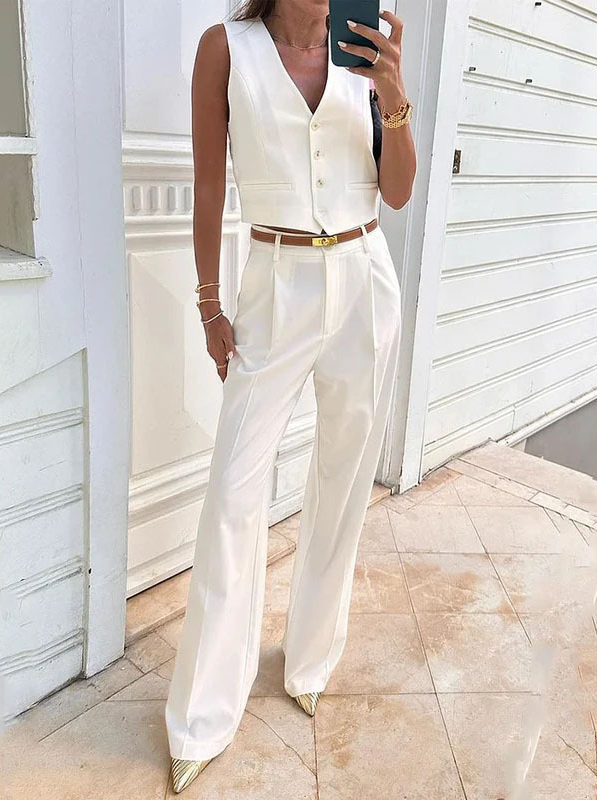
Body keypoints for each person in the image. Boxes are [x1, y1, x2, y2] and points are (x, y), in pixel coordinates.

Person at [164, 0, 416, 792]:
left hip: (363, 277)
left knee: (343, 480)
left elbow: (398, 192)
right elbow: (210, 184)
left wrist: (393, 95)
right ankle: (203, 713)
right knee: (233, 496)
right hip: (274, 285)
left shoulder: (364, 49)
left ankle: (310, 660)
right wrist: (209, 304)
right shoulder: (227, 48)